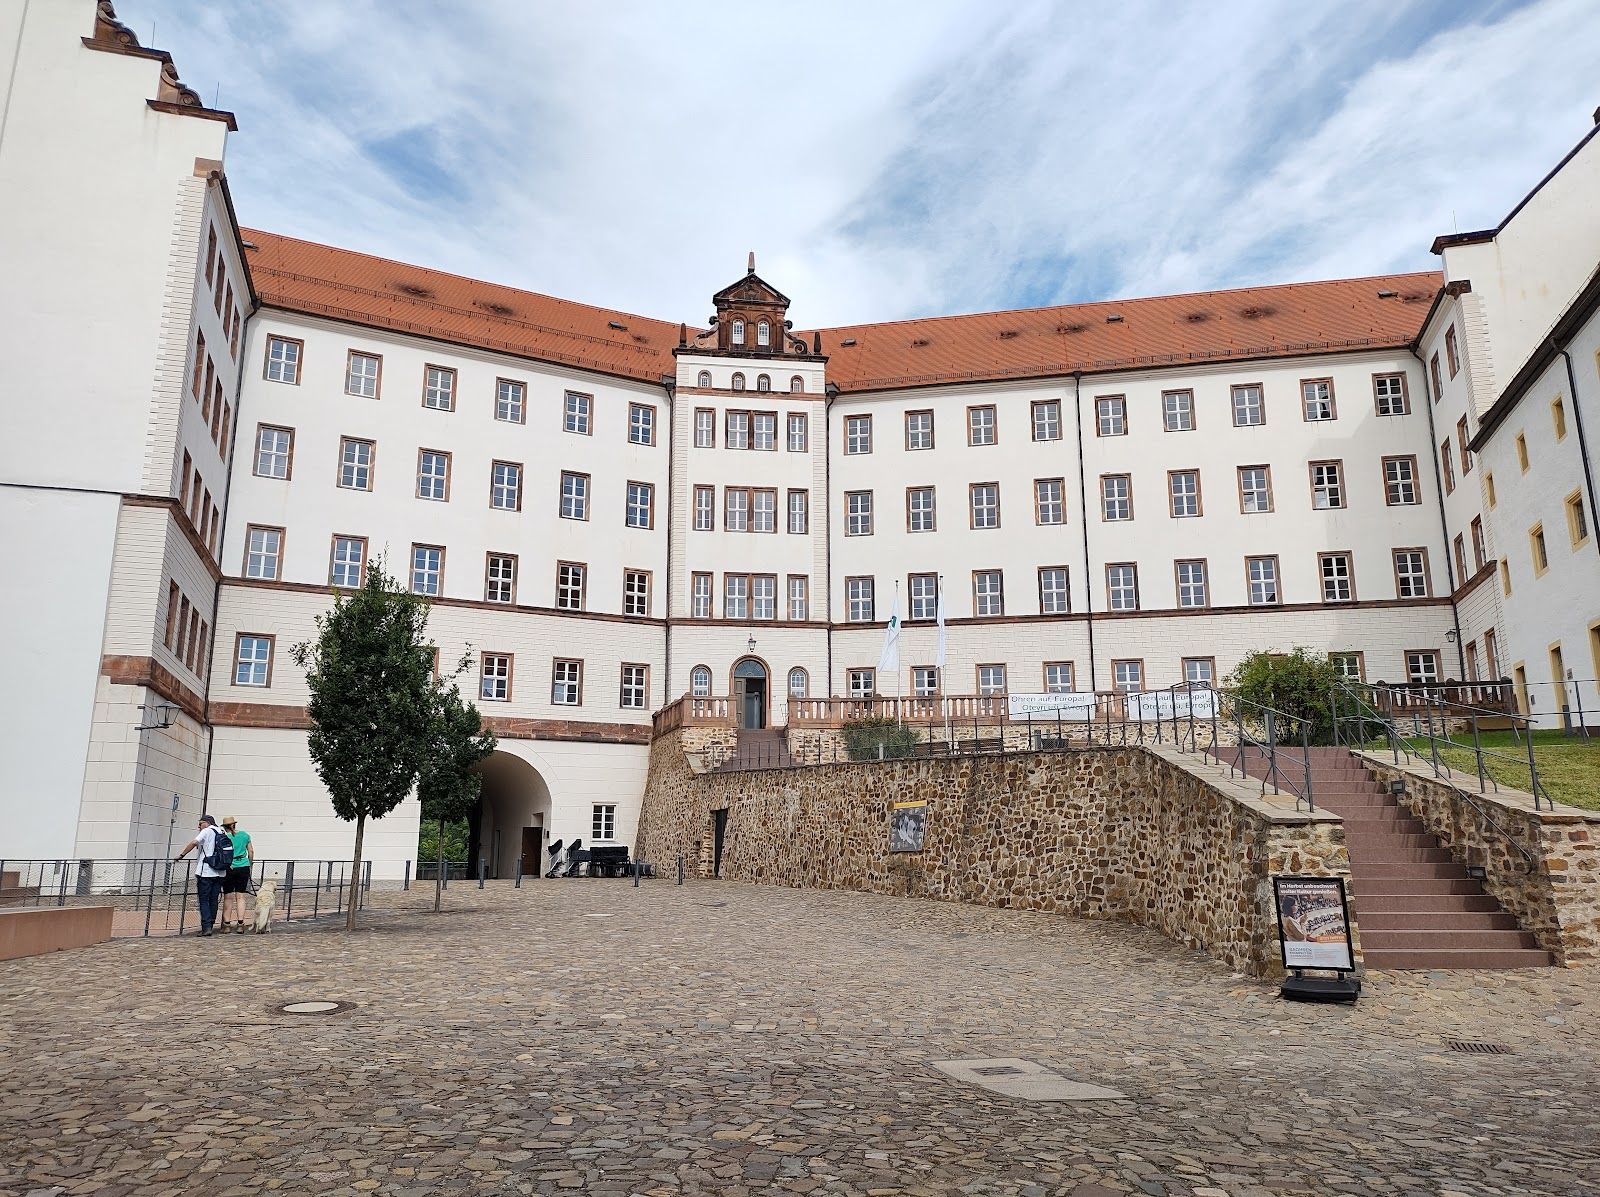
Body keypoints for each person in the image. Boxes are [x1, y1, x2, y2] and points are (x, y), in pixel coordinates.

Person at [174, 814, 227, 937]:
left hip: (206, 871)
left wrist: (181, 855)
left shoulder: (207, 831)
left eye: (200, 823)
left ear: (207, 823)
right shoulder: (221, 831)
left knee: (204, 900)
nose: (199, 826)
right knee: (214, 899)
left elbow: (194, 842)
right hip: (220, 872)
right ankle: (211, 925)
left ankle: (206, 927)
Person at [219, 816, 255, 933]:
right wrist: (249, 863)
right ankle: (240, 923)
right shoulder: (245, 835)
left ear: (224, 827)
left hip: (229, 867)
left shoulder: (224, 837)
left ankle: (227, 924)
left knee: (228, 897)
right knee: (241, 896)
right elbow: (251, 851)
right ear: (234, 824)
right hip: (243, 866)